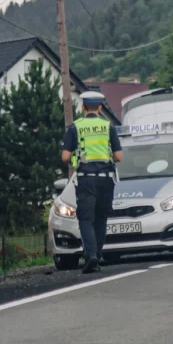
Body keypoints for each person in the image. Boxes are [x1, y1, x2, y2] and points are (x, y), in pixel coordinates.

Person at [61, 91, 124, 273]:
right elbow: (119, 156)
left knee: (86, 219)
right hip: (106, 180)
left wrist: (76, 156)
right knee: (101, 218)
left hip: (86, 179)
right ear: (100, 108)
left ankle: (91, 255)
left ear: (82, 108)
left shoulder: (75, 127)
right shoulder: (108, 126)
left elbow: (65, 156)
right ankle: (97, 254)